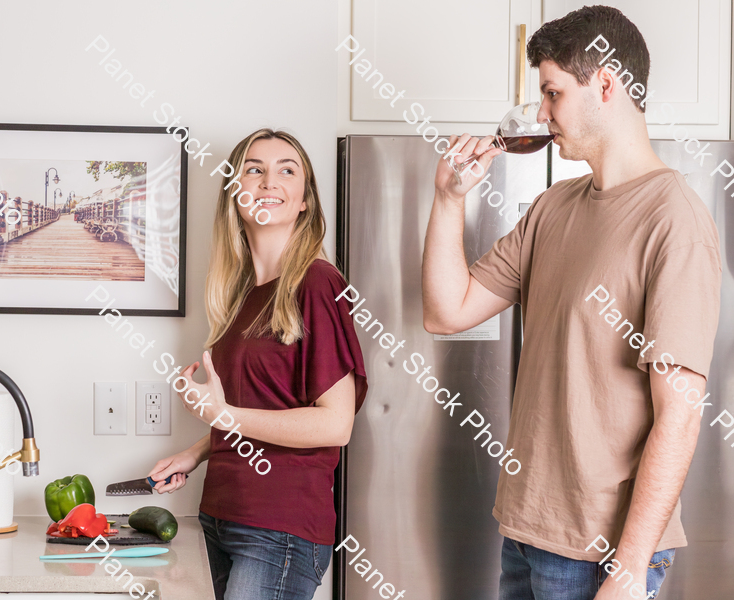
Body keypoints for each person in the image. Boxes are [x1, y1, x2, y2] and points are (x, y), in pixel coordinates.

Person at [421, 6, 721, 600]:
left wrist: (630, 569)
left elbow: (680, 414)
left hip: (602, 554)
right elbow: (446, 310)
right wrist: (449, 200)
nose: (541, 114)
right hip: (527, 531)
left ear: (605, 85)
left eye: (553, 93)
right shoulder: (554, 207)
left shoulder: (674, 221)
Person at [148, 128, 368, 600]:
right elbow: (260, 407)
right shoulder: (243, 295)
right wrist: (197, 451)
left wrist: (222, 415)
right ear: (235, 192)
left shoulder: (316, 284)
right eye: (254, 169)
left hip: (278, 528)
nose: (269, 181)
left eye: (286, 170)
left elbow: (336, 424)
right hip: (223, 515)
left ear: (304, 200)